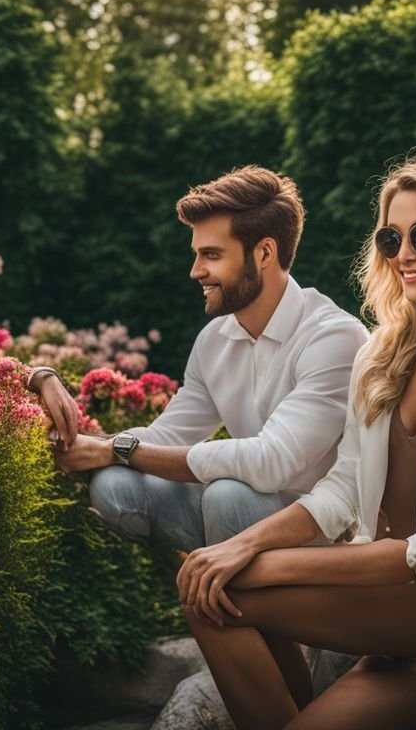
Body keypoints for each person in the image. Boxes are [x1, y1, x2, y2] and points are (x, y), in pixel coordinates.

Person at [172, 153, 416, 729]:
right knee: (210, 595)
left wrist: (268, 565)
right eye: (391, 237)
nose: (404, 254)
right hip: (384, 616)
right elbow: (343, 489)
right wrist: (245, 546)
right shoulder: (382, 353)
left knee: (228, 585)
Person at [31, 165, 368, 552]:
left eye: (211, 255)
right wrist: (86, 444)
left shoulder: (333, 337)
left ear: (264, 253)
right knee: (115, 486)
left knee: (228, 495)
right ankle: (202, 583)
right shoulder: (214, 340)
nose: (195, 272)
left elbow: (273, 462)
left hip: (316, 526)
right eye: (197, 254)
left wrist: (116, 449)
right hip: (232, 511)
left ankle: (240, 608)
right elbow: (165, 438)